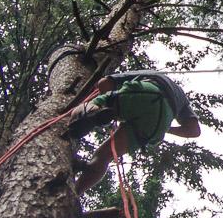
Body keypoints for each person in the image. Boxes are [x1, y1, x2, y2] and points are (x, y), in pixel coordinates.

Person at [67, 73, 201, 193]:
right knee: (104, 156)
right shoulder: (182, 98)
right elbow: (194, 130)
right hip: (159, 122)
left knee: (93, 104)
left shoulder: (152, 73)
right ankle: (75, 193)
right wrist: (166, 128)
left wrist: (109, 104)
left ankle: (91, 112)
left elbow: (104, 82)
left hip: (146, 92)